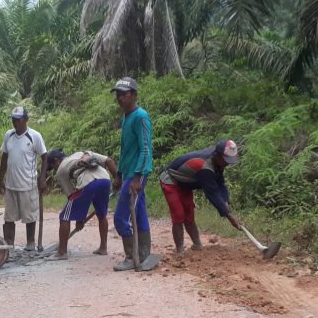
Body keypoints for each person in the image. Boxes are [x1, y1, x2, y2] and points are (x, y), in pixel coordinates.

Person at [159, 139, 243, 252]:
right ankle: (179, 250)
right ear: (218, 155)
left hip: (186, 184)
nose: (227, 163)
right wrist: (229, 216)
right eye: (226, 160)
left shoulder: (218, 162)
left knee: (189, 215)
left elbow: (220, 183)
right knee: (179, 215)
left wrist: (226, 202)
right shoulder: (204, 167)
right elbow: (212, 193)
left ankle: (197, 245)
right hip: (171, 181)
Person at [109, 77, 156, 271]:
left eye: (124, 94)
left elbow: (145, 149)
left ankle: (131, 255)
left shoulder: (141, 117)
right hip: (128, 172)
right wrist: (119, 173)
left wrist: (137, 177)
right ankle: (142, 253)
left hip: (137, 174)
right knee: (139, 212)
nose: (120, 98)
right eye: (118, 95)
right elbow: (125, 149)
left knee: (121, 216)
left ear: (134, 95)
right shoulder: (126, 118)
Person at [45, 149, 119, 259]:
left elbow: (72, 197)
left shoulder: (60, 170)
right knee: (101, 214)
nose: (54, 169)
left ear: (57, 161)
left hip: (89, 182)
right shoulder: (81, 153)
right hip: (105, 180)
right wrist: (118, 179)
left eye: (53, 166)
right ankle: (103, 248)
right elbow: (109, 161)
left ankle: (61, 252)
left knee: (65, 216)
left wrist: (79, 219)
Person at [0, 106, 48, 250]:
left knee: (29, 216)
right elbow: (4, 157)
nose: (15, 123)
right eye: (13, 120)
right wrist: (1, 178)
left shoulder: (34, 136)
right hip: (11, 184)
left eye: (18, 120)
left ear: (26, 120)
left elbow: (45, 157)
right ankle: (9, 244)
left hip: (28, 183)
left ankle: (30, 243)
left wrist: (42, 179)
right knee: (9, 217)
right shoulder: (9, 135)